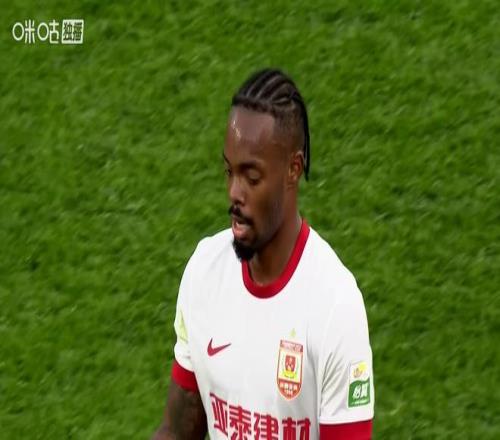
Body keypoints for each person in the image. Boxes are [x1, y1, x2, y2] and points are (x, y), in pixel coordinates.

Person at [153, 68, 374, 440]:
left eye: (251, 177)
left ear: (293, 169)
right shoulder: (205, 273)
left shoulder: (335, 306)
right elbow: (177, 432)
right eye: (229, 172)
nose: (234, 193)